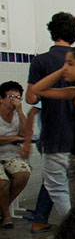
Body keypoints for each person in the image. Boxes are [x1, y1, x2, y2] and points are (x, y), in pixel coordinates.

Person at [24, 11, 75, 233]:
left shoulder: (41, 61)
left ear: (51, 32)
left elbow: (31, 98)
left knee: (57, 188)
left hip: (55, 136)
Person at [28, 46, 75, 209]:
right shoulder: (74, 93)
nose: (65, 68)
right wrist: (62, 70)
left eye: (70, 64)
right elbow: (37, 90)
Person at [0, 82, 33, 228]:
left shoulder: (18, 114)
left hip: (11, 154)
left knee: (23, 174)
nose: (14, 100)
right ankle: (6, 215)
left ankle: (2, 209)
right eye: (11, 96)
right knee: (3, 182)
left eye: (18, 97)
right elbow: (17, 137)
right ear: (1, 99)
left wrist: (20, 112)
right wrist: (13, 138)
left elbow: (25, 134)